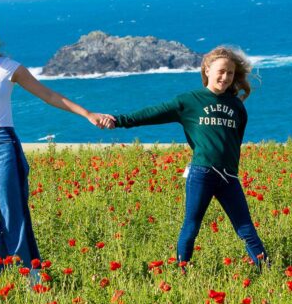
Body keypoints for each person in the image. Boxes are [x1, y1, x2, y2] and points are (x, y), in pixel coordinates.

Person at [0, 13, 114, 278]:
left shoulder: (8, 68)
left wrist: (87, 113)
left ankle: (31, 278)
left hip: (2, 145)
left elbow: (48, 95)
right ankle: (4, 276)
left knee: (13, 217)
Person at [112, 47, 267, 271]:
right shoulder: (189, 101)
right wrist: (118, 120)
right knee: (191, 226)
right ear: (207, 70)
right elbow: (151, 114)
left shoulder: (237, 107)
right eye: (221, 71)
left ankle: (267, 270)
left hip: (229, 176)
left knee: (245, 228)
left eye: (230, 73)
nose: (225, 77)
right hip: (202, 173)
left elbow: (235, 142)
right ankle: (181, 271)